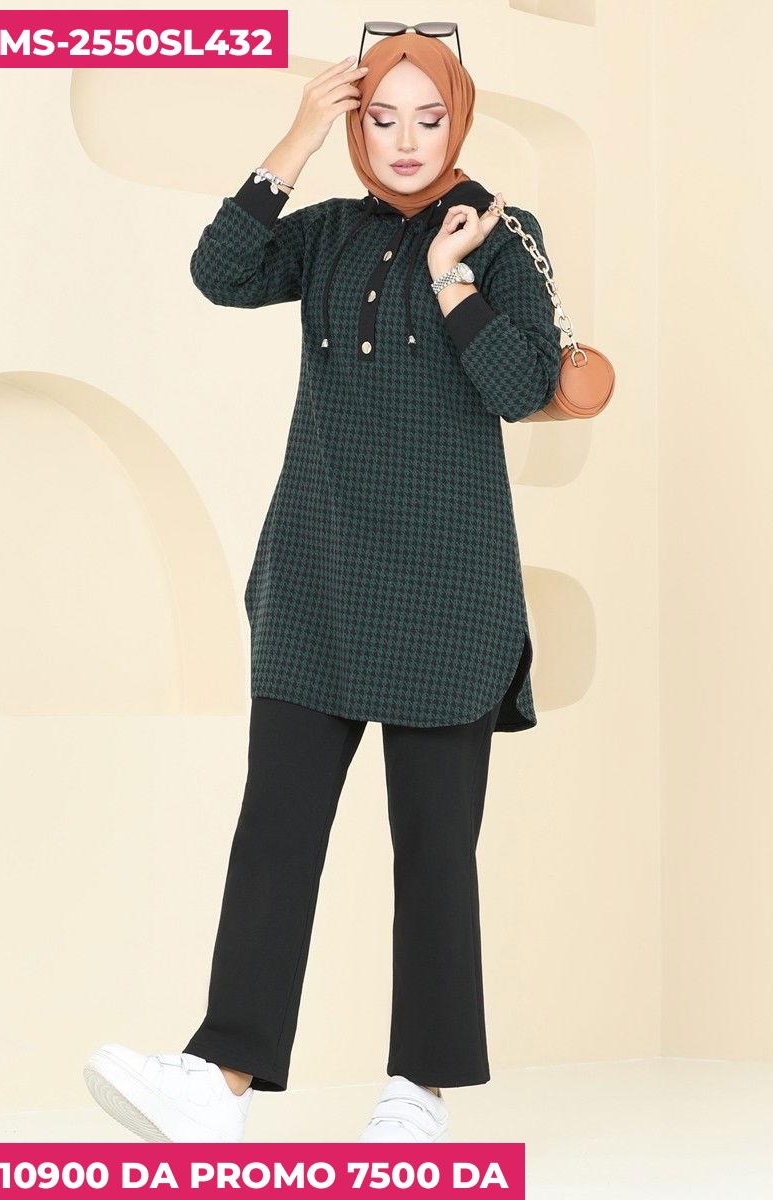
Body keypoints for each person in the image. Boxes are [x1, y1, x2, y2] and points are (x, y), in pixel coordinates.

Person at [83, 28, 560, 1144]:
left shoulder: (501, 234)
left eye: (428, 118)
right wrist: (294, 140)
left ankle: (417, 1091)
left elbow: (521, 384)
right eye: (380, 118)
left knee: (433, 849)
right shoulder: (330, 233)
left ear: (459, 119)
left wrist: (452, 281)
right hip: (318, 573)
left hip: (448, 590)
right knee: (276, 830)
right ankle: (220, 1080)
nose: (405, 141)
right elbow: (219, 273)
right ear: (356, 123)